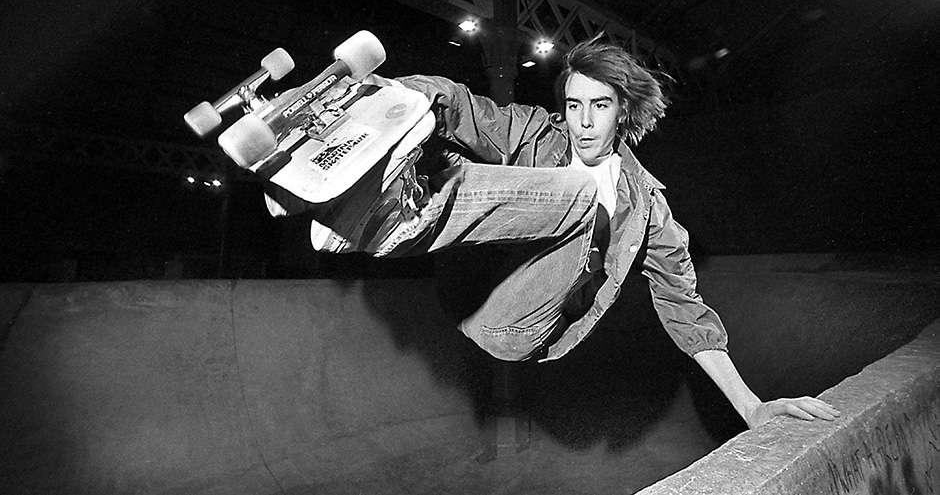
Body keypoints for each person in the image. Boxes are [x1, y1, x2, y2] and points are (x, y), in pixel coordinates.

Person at [264, 36, 840, 429]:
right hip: (471, 296)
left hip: (521, 328)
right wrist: (395, 95)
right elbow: (467, 107)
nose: (583, 123)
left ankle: (393, 216)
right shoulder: (538, 136)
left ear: (623, 113)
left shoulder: (650, 208)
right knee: (445, 128)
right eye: (573, 105)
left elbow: (684, 307)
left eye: (600, 107)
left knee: (582, 195)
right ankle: (368, 202)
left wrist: (752, 406)